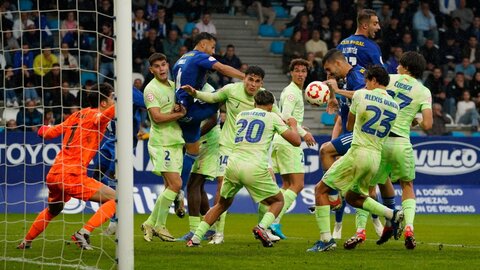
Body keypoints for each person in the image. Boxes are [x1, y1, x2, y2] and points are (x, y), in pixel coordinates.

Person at [186, 90, 301, 248]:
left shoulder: (242, 115)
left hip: (233, 165)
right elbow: (296, 141)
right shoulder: (272, 116)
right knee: (278, 201)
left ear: (255, 103)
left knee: (221, 205)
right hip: (254, 166)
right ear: (271, 105)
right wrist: (293, 125)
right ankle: (262, 228)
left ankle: (196, 238)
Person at [307, 65, 402, 252]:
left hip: (358, 152)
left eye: (367, 81)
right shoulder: (395, 105)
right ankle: (392, 213)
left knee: (320, 190)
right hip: (375, 158)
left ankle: (326, 240)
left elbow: (349, 125)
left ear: (374, 80)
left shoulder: (361, 95)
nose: (365, 84)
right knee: (353, 197)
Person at [17, 83, 116, 250]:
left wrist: (42, 128)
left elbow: (48, 133)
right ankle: (83, 232)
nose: (113, 101)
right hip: (72, 175)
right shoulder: (96, 115)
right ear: (104, 103)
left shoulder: (77, 114)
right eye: (112, 98)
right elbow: (102, 117)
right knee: (117, 199)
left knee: (53, 210)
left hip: (55, 173)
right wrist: (126, 100)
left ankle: (26, 241)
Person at [180, 65, 270, 244]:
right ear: (244, 78)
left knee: (266, 194)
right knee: (222, 188)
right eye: (250, 79)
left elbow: (275, 116)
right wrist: (195, 93)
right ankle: (218, 234)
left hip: (254, 150)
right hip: (228, 146)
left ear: (261, 83)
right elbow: (213, 97)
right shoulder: (231, 90)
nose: (252, 84)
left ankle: (265, 228)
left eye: (257, 81)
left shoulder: (264, 97)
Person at [172, 32, 244, 217]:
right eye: (212, 47)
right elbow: (222, 68)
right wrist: (245, 77)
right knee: (225, 94)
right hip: (191, 110)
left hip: (181, 112)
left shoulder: (182, 58)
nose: (213, 51)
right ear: (203, 44)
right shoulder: (200, 56)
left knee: (192, 152)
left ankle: (177, 190)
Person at [320, 49, 385, 239]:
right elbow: (341, 118)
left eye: (329, 70)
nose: (329, 75)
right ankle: (340, 224)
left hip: (361, 136)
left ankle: (336, 197)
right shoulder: (347, 79)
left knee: (326, 152)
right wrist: (334, 96)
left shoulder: (356, 75)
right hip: (352, 135)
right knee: (361, 187)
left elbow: (364, 94)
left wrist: (337, 90)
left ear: (338, 63)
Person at [371, 51, 433, 249]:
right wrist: (415, 120)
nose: (396, 66)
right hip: (402, 143)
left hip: (380, 141)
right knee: (407, 186)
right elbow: (428, 125)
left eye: (399, 64)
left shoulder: (389, 79)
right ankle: (409, 228)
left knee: (368, 186)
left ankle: (361, 231)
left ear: (406, 67)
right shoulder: (423, 91)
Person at [141, 53, 186, 242]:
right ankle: (159, 224)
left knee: (170, 186)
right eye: (157, 66)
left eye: (164, 64)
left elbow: (175, 108)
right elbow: (157, 118)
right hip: (162, 142)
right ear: (151, 70)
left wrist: (178, 110)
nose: (161, 69)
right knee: (176, 184)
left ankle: (150, 222)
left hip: (175, 140)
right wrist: (178, 115)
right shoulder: (150, 90)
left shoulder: (174, 86)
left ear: (168, 65)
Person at [269, 59, 316, 239]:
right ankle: (273, 221)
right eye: (297, 70)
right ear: (291, 73)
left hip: (281, 140)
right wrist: (303, 133)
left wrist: (302, 128)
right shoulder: (291, 92)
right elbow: (286, 116)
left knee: (287, 185)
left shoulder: (295, 91)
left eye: (303, 71)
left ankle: (273, 220)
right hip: (288, 141)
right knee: (298, 184)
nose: (300, 74)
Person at [92, 85, 146, 235]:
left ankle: (115, 222)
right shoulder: (111, 90)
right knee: (95, 177)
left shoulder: (131, 91)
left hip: (124, 143)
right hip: (109, 140)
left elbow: (147, 104)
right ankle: (113, 210)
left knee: (111, 179)